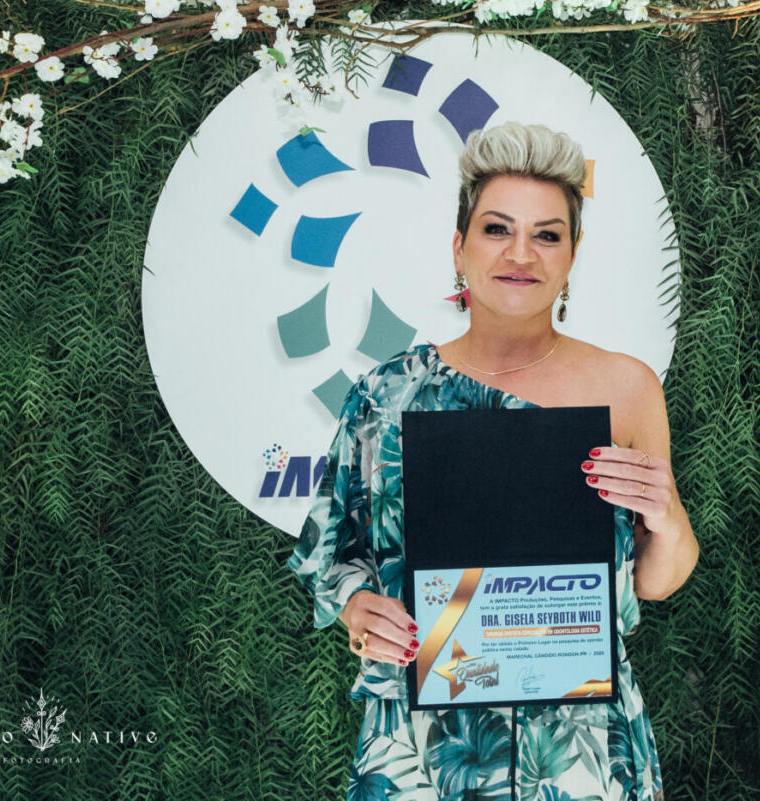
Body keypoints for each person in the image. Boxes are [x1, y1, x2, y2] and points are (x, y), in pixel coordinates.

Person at [286, 121, 698, 801]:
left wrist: (667, 513)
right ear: (459, 247)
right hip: (420, 746)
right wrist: (359, 611)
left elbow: (657, 579)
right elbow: (331, 552)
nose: (521, 253)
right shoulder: (388, 395)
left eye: (547, 235)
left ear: (573, 254)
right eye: (497, 228)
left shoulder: (627, 388)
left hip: (579, 747)